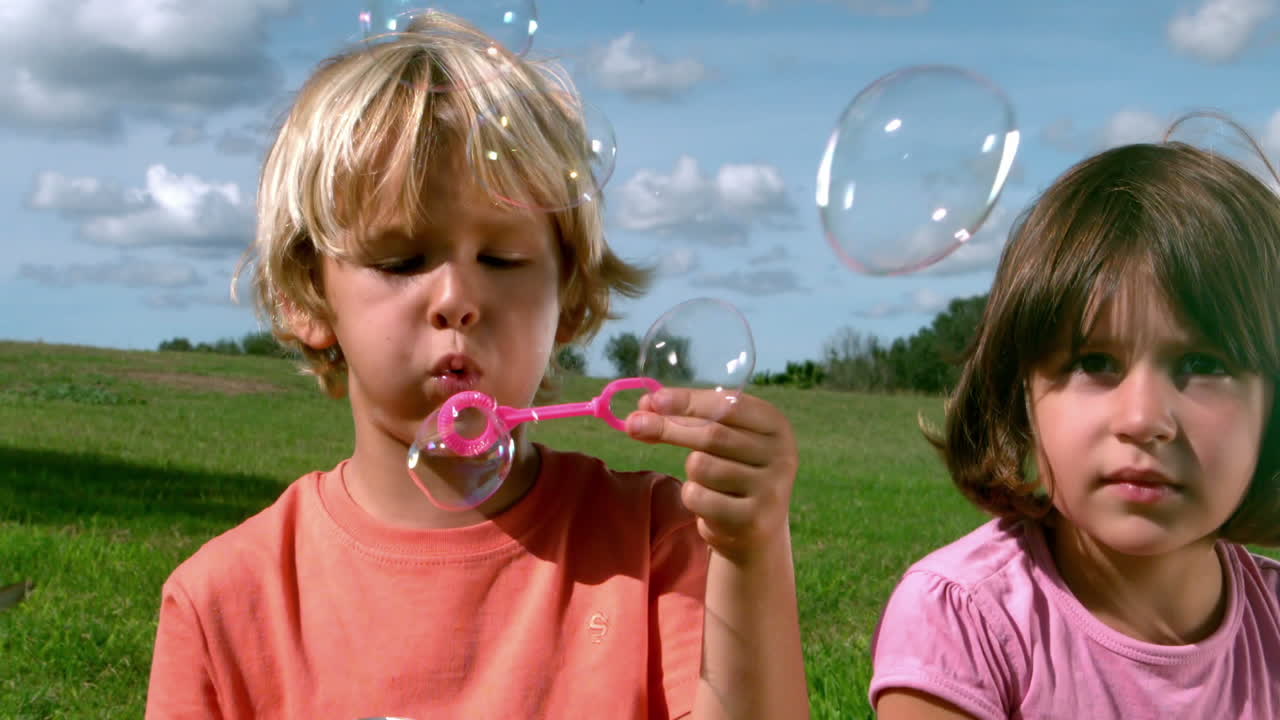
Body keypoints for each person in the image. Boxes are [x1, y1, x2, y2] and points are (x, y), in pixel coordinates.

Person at [145, 13, 809, 720]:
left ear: (572, 302)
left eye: (501, 259)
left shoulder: (658, 543)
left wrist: (751, 553)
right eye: (401, 261)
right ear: (308, 299)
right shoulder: (227, 601)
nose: (457, 299)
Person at [870, 141, 1280, 719]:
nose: (1142, 420)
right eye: (1094, 363)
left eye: (1204, 366)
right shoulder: (965, 620)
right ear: (1020, 396)